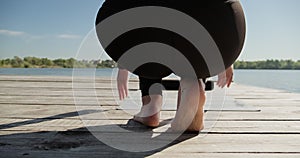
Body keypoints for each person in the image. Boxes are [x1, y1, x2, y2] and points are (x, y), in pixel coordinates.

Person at [96, 0, 246, 131]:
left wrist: (124, 61)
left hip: (137, 21)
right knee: (196, 50)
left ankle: (151, 106)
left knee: (148, 24)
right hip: (216, 22)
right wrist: (224, 56)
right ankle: (193, 80)